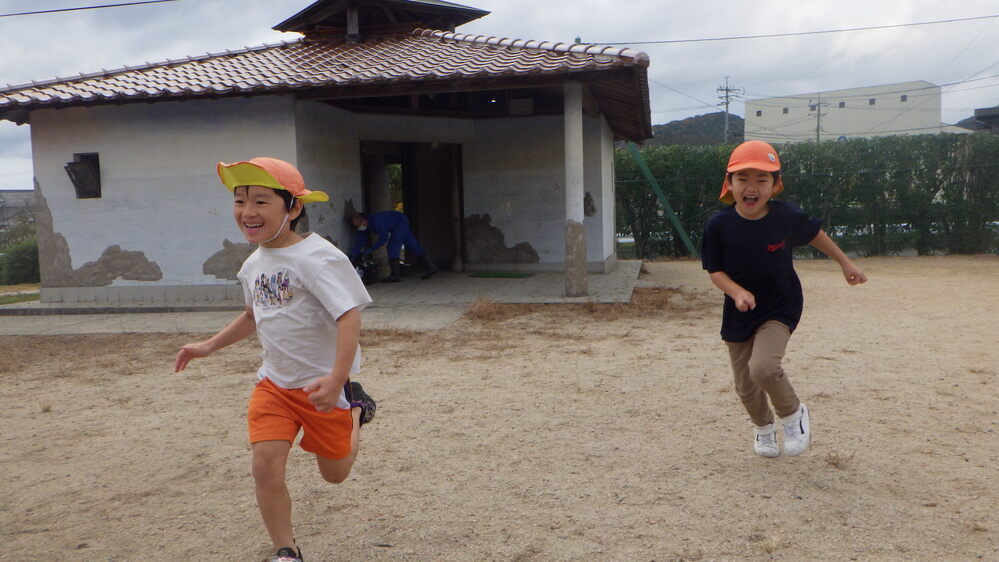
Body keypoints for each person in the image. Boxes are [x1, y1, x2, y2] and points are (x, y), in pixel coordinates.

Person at [174, 157, 376, 562]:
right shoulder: (253, 264)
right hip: (275, 386)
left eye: (262, 202)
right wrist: (208, 346)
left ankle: (356, 408)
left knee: (334, 475)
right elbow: (253, 315)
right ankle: (287, 550)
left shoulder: (320, 258)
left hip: (324, 387)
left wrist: (339, 380)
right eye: (240, 201)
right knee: (265, 466)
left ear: (293, 208)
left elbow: (349, 315)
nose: (248, 212)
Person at [701, 140, 867, 458]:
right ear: (729, 184)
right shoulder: (719, 225)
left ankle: (793, 416)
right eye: (743, 179)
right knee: (745, 386)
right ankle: (764, 430)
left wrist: (845, 263)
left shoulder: (786, 216)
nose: (752, 187)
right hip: (739, 310)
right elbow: (715, 271)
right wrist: (737, 292)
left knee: (763, 368)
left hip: (781, 303)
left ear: (775, 185)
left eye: (762, 179)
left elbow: (815, 234)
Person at [349, 210, 438, 282]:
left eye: (360, 224)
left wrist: (372, 249)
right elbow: (359, 243)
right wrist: (352, 257)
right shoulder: (364, 228)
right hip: (400, 220)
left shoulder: (376, 221)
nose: (360, 227)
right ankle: (431, 268)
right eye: (357, 227)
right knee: (413, 246)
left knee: (392, 247)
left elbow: (384, 238)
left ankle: (395, 276)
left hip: (400, 222)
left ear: (364, 220)